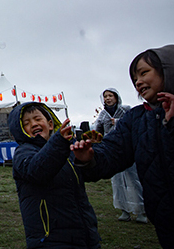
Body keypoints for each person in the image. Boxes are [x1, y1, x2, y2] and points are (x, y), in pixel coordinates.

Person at [71, 44, 174, 249]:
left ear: (168, 70)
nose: (139, 82)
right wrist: (90, 158)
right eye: (135, 78)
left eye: (144, 73)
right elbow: (113, 150)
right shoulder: (136, 118)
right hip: (166, 219)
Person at [8, 102, 100, 248]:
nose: (33, 124)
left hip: (83, 228)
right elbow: (37, 171)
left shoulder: (67, 149)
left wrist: (87, 159)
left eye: (38, 119)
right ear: (20, 130)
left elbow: (88, 175)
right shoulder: (23, 152)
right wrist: (59, 142)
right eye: (26, 123)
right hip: (49, 236)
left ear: (50, 124)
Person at [94, 88, 147, 223]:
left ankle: (141, 211)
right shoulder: (102, 115)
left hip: (129, 150)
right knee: (117, 183)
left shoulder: (126, 110)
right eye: (105, 96)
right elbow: (97, 131)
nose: (108, 98)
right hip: (111, 151)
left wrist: (117, 122)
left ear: (116, 97)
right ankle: (124, 210)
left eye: (110, 95)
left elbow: (135, 125)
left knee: (134, 181)